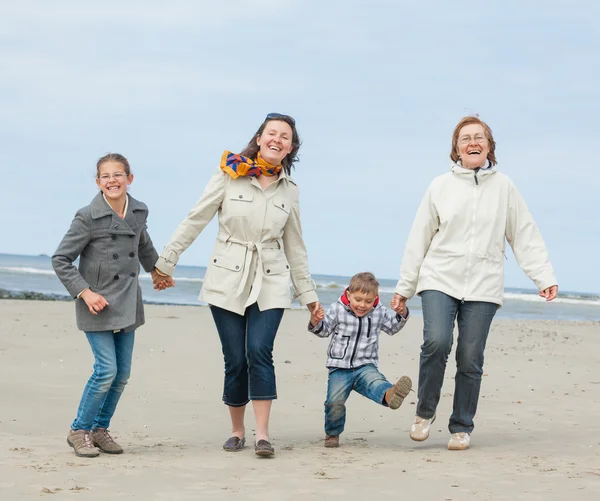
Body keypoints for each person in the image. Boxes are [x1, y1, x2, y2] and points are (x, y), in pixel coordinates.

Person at [153, 113, 320, 457]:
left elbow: (296, 246)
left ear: (291, 147)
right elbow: (196, 218)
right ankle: (236, 430)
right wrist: (165, 262)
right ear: (259, 138)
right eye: (271, 133)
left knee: (259, 351)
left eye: (284, 136)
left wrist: (309, 297)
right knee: (235, 359)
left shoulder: (290, 190)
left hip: (271, 280)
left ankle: (262, 435)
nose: (277, 140)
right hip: (226, 277)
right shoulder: (229, 175)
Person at [391, 116, 558, 451]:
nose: (472, 142)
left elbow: (523, 233)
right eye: (465, 138)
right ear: (456, 148)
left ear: (489, 146)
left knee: (470, 357)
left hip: (484, 283)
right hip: (439, 277)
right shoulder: (440, 185)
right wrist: (404, 288)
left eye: (479, 137)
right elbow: (419, 237)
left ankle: (461, 426)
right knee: (436, 342)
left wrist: (543, 275)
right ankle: (424, 412)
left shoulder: (505, 188)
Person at [52, 153, 172, 458]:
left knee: (121, 375)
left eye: (118, 174)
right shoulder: (87, 217)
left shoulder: (138, 211)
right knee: (106, 370)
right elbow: (61, 259)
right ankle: (79, 429)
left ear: (129, 178)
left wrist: (156, 271)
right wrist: (85, 293)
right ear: (97, 182)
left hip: (128, 301)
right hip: (97, 303)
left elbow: (142, 243)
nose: (112, 181)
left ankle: (99, 429)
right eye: (105, 176)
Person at [308, 272, 412, 448]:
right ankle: (332, 434)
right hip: (339, 367)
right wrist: (315, 321)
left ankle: (391, 394)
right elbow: (324, 331)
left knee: (377, 383)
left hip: (366, 365)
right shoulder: (337, 309)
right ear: (348, 294)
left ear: (375, 299)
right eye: (358, 299)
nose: (362, 305)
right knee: (334, 402)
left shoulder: (379, 313)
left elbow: (393, 327)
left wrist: (403, 312)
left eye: (368, 301)